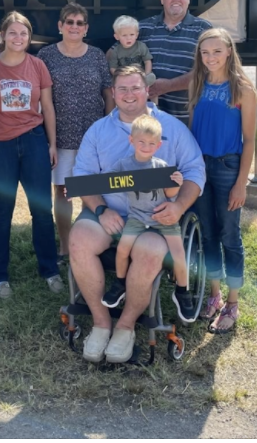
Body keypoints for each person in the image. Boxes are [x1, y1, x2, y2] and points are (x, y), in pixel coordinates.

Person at [69, 66, 206, 363]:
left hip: (152, 217)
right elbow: (83, 176)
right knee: (78, 240)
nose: (129, 95)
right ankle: (101, 322)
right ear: (113, 93)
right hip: (109, 214)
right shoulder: (99, 131)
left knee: (151, 251)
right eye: (122, 89)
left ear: (147, 91)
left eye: (135, 88)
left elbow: (195, 170)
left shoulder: (171, 127)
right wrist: (101, 210)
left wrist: (178, 206)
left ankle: (126, 326)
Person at [0, 11, 61, 299]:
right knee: (1, 211)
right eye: (13, 33)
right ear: (3, 36)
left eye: (24, 33)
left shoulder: (37, 65)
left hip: (33, 142)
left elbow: (48, 107)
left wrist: (51, 144)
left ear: (29, 37)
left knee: (41, 209)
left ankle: (50, 269)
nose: (18, 38)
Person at [100, 116, 192, 360]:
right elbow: (104, 182)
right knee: (123, 249)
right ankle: (120, 283)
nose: (146, 147)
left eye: (151, 144)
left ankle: (182, 291)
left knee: (179, 251)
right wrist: (77, 187)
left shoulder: (161, 166)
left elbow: (171, 194)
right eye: (141, 142)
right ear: (132, 141)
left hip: (162, 217)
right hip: (137, 218)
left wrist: (176, 184)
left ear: (158, 145)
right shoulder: (123, 165)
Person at [187, 27, 257, 334]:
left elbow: (250, 140)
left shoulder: (243, 89)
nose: (211, 57)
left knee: (230, 235)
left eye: (217, 51)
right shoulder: (197, 83)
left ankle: (232, 302)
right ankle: (214, 295)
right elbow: (192, 130)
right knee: (208, 234)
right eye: (205, 52)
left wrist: (242, 182)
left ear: (229, 51)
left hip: (228, 167)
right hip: (200, 168)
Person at [37, 3, 113, 263]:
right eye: (69, 21)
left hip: (93, 136)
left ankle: (88, 240)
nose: (74, 26)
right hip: (61, 135)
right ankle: (65, 244)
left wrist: (110, 127)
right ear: (60, 26)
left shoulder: (96, 55)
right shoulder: (46, 56)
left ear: (86, 28)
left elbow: (107, 92)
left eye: (80, 23)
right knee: (63, 191)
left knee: (92, 189)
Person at [141, 0, 212, 123]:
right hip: (146, 122)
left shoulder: (204, 30)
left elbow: (208, 71)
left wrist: (168, 86)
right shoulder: (143, 28)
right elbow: (115, 56)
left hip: (187, 121)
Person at [106, 15, 156, 87]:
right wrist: (119, 77)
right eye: (124, 35)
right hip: (124, 77)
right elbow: (113, 68)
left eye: (132, 34)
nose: (128, 38)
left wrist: (146, 74)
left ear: (137, 35)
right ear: (117, 37)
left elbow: (147, 61)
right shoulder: (116, 51)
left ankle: (145, 90)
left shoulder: (141, 46)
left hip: (141, 76)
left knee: (151, 77)